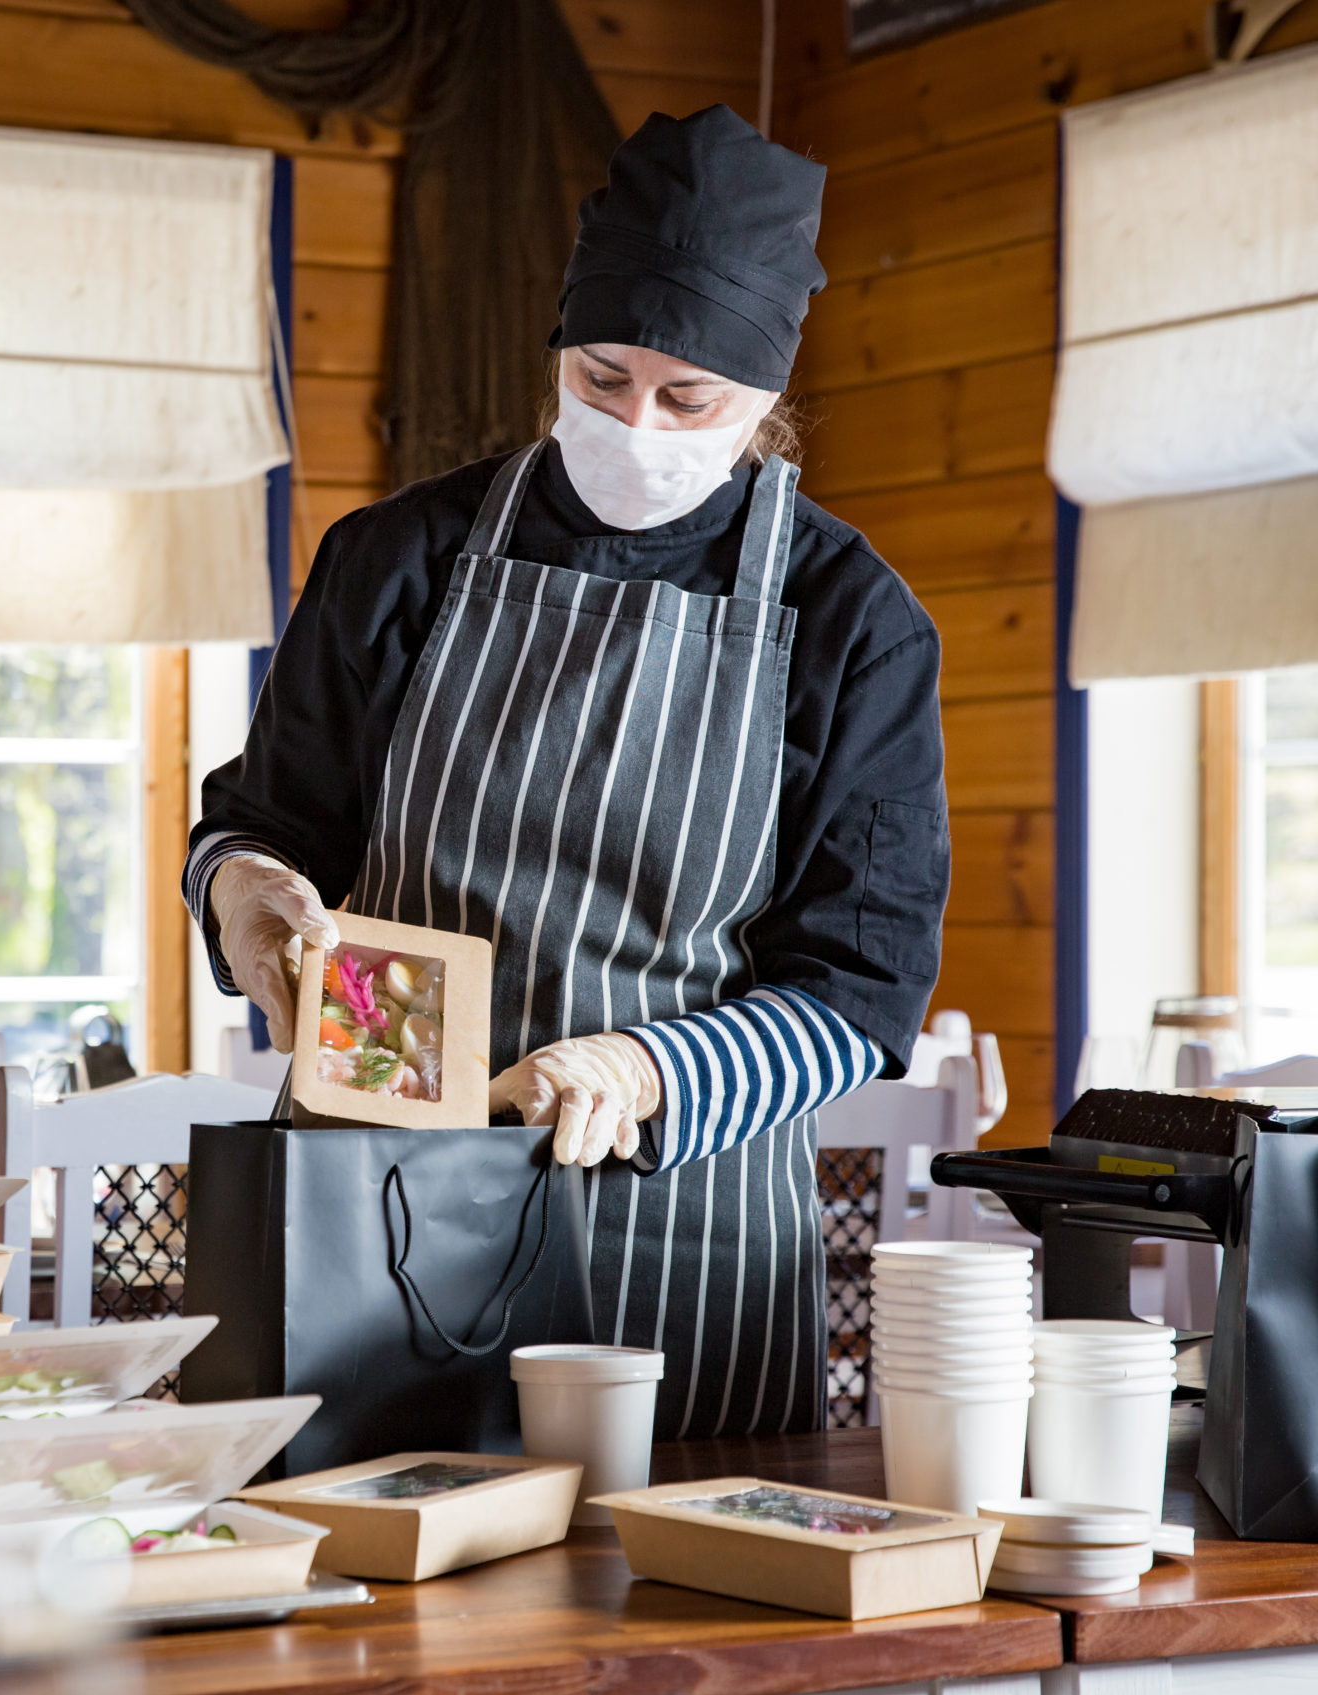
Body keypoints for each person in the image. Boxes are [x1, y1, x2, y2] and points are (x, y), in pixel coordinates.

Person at [185, 104, 948, 1438]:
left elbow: (861, 987)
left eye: (686, 398)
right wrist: (246, 891)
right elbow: (264, 819)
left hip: (686, 1235)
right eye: (600, 378)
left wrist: (645, 1073)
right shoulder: (396, 560)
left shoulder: (851, 621)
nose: (636, 421)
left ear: (765, 397)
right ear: (558, 350)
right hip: (383, 1206)